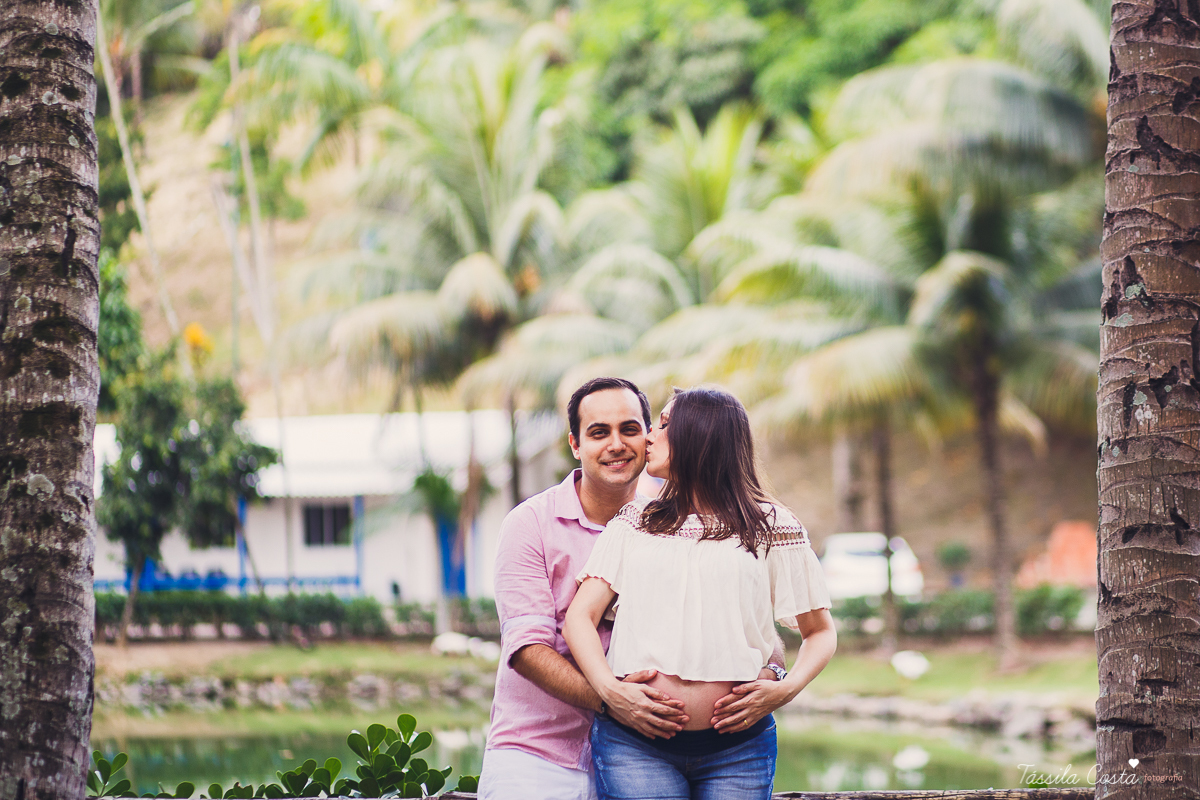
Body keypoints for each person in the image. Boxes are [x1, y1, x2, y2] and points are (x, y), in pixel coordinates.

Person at [481, 378, 790, 800]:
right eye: (598, 432)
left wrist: (772, 675)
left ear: (650, 437)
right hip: (541, 755)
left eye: (629, 429)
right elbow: (528, 650)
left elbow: (745, 623)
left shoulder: (676, 523)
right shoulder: (530, 524)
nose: (616, 444)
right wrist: (614, 701)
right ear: (575, 444)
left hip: (654, 753)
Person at [563, 386, 837, 800]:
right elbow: (579, 617)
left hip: (739, 748)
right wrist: (609, 690)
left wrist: (785, 689)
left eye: (667, 425)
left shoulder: (773, 525)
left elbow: (819, 632)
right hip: (634, 744)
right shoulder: (634, 521)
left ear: (703, 435)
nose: (650, 435)